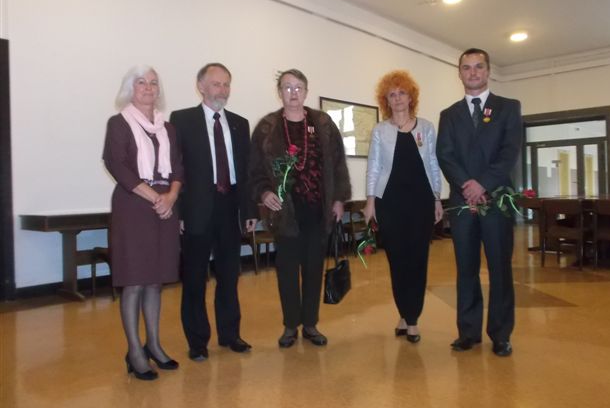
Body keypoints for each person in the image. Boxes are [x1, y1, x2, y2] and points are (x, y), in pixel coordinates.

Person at [249, 69, 351, 348]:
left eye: (298, 87)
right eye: (287, 87)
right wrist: (264, 192)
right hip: (285, 214)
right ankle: (290, 325)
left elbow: (338, 164)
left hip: (318, 211)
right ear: (279, 92)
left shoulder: (324, 123)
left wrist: (339, 199)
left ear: (306, 91)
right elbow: (255, 169)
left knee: (313, 270)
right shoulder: (267, 127)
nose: (293, 93)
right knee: (287, 272)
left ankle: (310, 324)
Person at [436, 48, 522, 357]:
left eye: (478, 66)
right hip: (463, 204)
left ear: (488, 71)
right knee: (466, 268)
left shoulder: (508, 108)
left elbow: (509, 152)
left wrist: (482, 183)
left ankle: (501, 334)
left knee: (500, 269)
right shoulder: (449, 115)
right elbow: (445, 155)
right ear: (459, 73)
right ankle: (468, 332)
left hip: (496, 200)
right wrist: (467, 186)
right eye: (467, 67)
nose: (473, 72)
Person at [170, 63, 257, 360]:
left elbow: (246, 172)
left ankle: (230, 334)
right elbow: (175, 168)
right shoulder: (182, 120)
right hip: (196, 209)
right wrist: (179, 211)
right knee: (195, 278)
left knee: (230, 276)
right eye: (216, 84)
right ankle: (197, 342)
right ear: (201, 86)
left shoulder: (240, 124)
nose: (223, 90)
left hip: (230, 207)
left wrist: (249, 209)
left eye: (226, 84)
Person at [103, 65, 183, 380]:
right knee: (134, 281)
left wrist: (171, 197)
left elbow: (178, 167)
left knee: (154, 280)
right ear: (130, 89)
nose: (148, 88)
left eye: (153, 83)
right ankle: (135, 351)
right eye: (141, 83)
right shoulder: (119, 123)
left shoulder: (168, 128)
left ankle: (154, 345)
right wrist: (155, 198)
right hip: (133, 207)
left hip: (165, 208)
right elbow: (117, 164)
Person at [363, 70, 443, 344]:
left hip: (421, 202)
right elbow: (374, 167)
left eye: (402, 93)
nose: (397, 98)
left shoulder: (426, 128)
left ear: (411, 97)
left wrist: (437, 197)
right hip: (390, 204)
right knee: (397, 262)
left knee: (418, 261)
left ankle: (412, 319)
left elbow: (433, 164)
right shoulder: (380, 131)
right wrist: (370, 200)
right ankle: (405, 314)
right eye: (392, 94)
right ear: (386, 100)